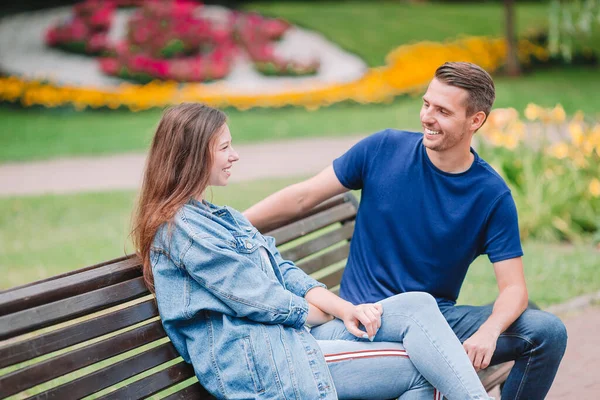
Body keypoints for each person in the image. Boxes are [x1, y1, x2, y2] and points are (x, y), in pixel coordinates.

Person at [244, 62, 568, 400]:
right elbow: (302, 197)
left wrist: (489, 331)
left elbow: (514, 288)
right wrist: (232, 222)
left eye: (442, 111)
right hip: (360, 322)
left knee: (546, 331)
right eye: (426, 104)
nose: (427, 116)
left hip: (436, 321)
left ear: (476, 120)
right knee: (427, 377)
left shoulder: (491, 195)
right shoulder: (383, 149)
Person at [131, 102, 494, 399]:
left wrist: (343, 309)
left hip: (289, 337)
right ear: (193, 156)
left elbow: (281, 269)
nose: (235, 156)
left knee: (419, 305)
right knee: (424, 369)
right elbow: (257, 297)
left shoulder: (222, 217)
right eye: (225, 147)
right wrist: (321, 314)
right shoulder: (181, 229)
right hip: (266, 362)